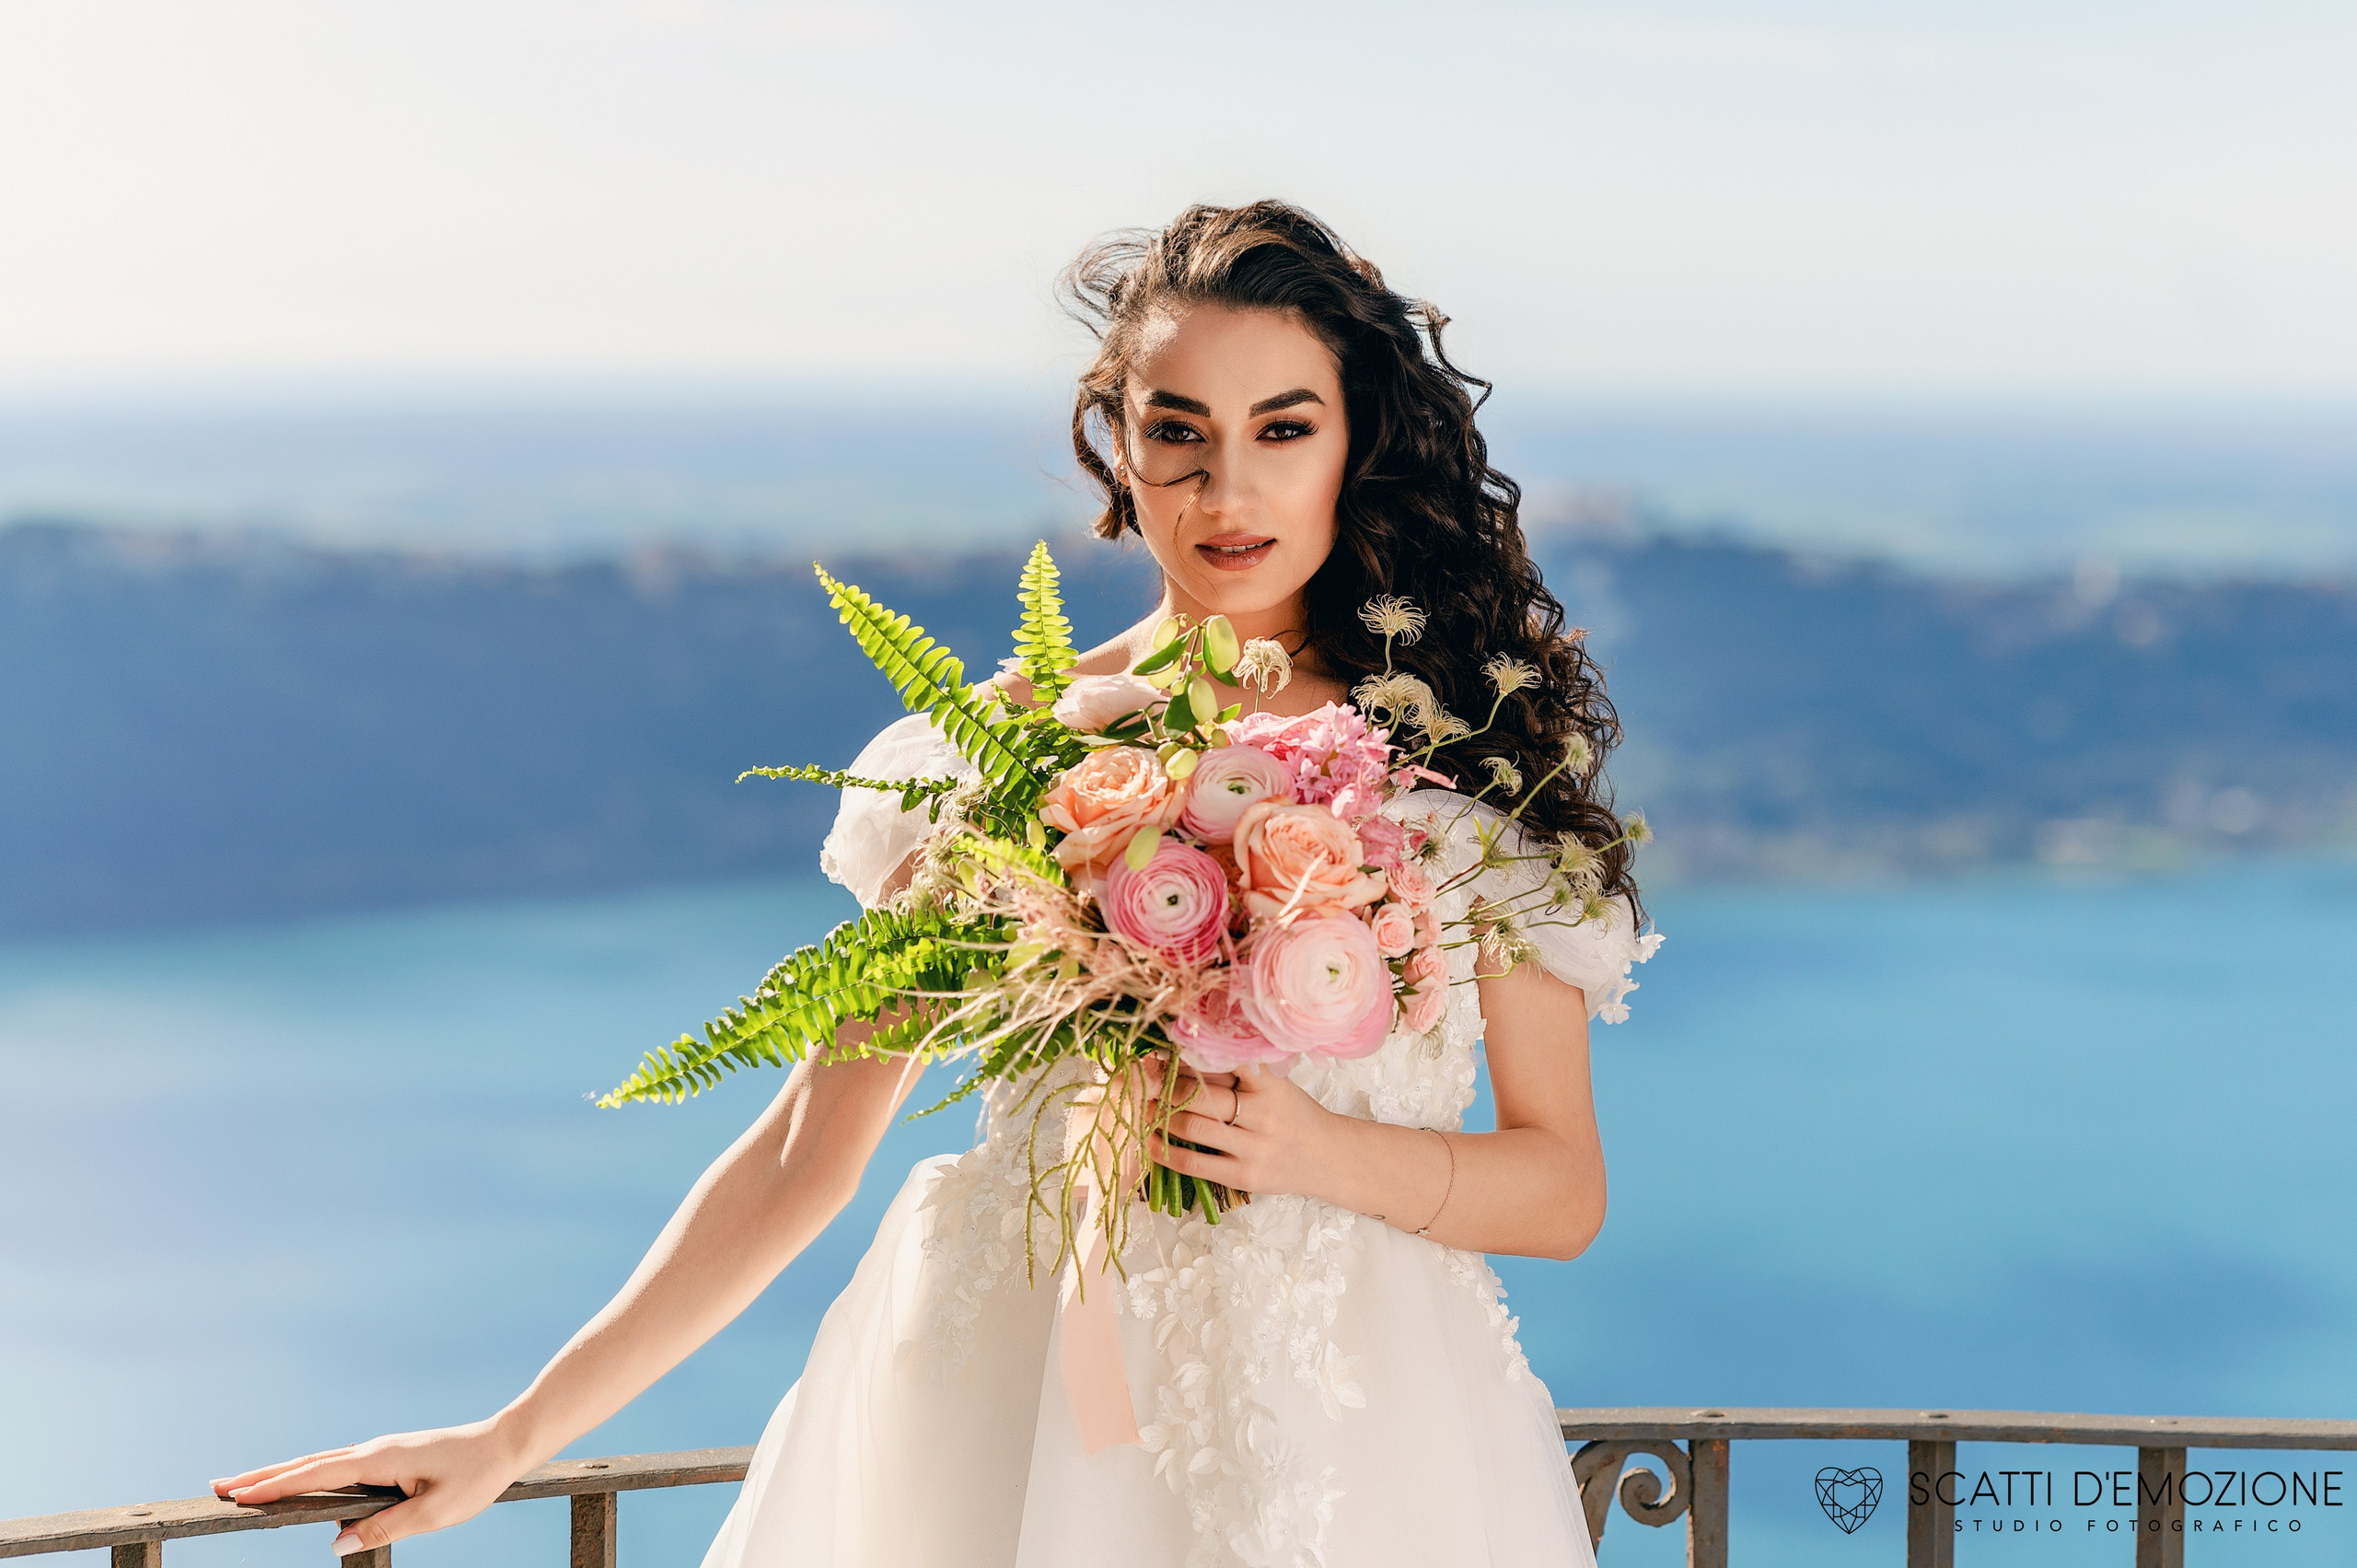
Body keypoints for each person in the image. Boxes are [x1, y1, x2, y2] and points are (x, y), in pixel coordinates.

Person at [215, 200, 1663, 1567]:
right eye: (1179, 433)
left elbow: (1563, 1188)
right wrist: (512, 1436)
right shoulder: (1005, 754)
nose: (1227, 491)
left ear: (1355, 447)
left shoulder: (1458, 771)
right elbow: (808, 1149)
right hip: (1008, 1419)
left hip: (1361, 1435)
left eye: (1283, 430)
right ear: (1118, 450)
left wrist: (1327, 1157)